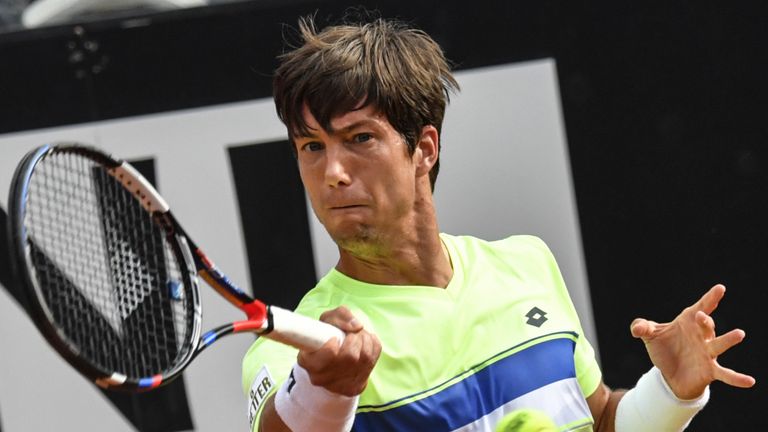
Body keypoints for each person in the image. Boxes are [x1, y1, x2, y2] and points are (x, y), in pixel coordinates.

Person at [242, 15, 755, 432]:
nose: (332, 172)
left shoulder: (527, 264)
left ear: (423, 149)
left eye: (359, 139)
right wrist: (324, 390)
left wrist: (669, 392)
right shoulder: (302, 347)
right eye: (312, 147)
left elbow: (596, 418)